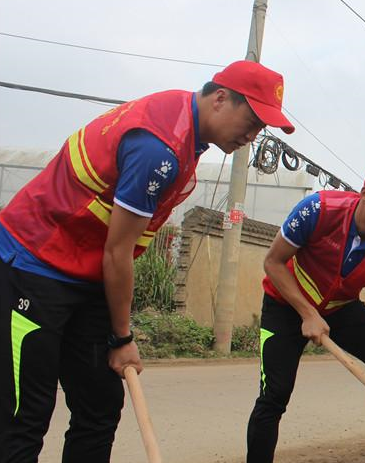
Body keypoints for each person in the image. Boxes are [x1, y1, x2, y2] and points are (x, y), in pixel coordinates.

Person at [0, 60, 292, 462]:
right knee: (24, 415)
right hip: (32, 264)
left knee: (99, 403)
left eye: (262, 129)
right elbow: (118, 252)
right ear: (220, 98)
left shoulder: (184, 131)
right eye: (253, 120)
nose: (253, 135)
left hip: (84, 276)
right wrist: (121, 339)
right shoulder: (160, 147)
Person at [246, 161, 365, 463]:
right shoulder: (318, 210)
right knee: (274, 395)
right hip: (286, 303)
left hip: (340, 308)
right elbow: (273, 263)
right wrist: (307, 312)